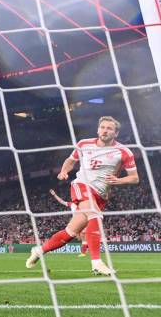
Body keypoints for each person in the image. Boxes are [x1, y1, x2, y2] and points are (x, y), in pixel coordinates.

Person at [26, 116, 139, 275]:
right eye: (102, 127)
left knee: (70, 233)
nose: (105, 130)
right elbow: (70, 160)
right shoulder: (84, 144)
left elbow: (134, 178)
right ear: (98, 130)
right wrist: (64, 171)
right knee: (95, 215)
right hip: (81, 185)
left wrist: (119, 181)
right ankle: (96, 263)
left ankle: (39, 251)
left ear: (116, 133)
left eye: (109, 128)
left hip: (101, 194)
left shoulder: (124, 152)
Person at [49, 188, 88, 257]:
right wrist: (54, 195)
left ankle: (84, 252)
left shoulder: (84, 204)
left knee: (83, 235)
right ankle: (53, 246)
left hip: (83, 221)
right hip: (75, 221)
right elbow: (61, 201)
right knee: (76, 236)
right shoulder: (71, 204)